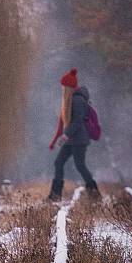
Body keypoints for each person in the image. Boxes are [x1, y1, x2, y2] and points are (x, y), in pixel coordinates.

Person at [48, 68, 100, 201]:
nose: (63, 89)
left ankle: (94, 194)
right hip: (72, 139)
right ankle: (55, 195)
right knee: (59, 162)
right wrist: (59, 139)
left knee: (80, 165)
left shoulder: (77, 100)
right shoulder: (71, 100)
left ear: (69, 87)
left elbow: (78, 120)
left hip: (79, 139)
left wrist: (65, 135)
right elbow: (63, 122)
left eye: (64, 86)